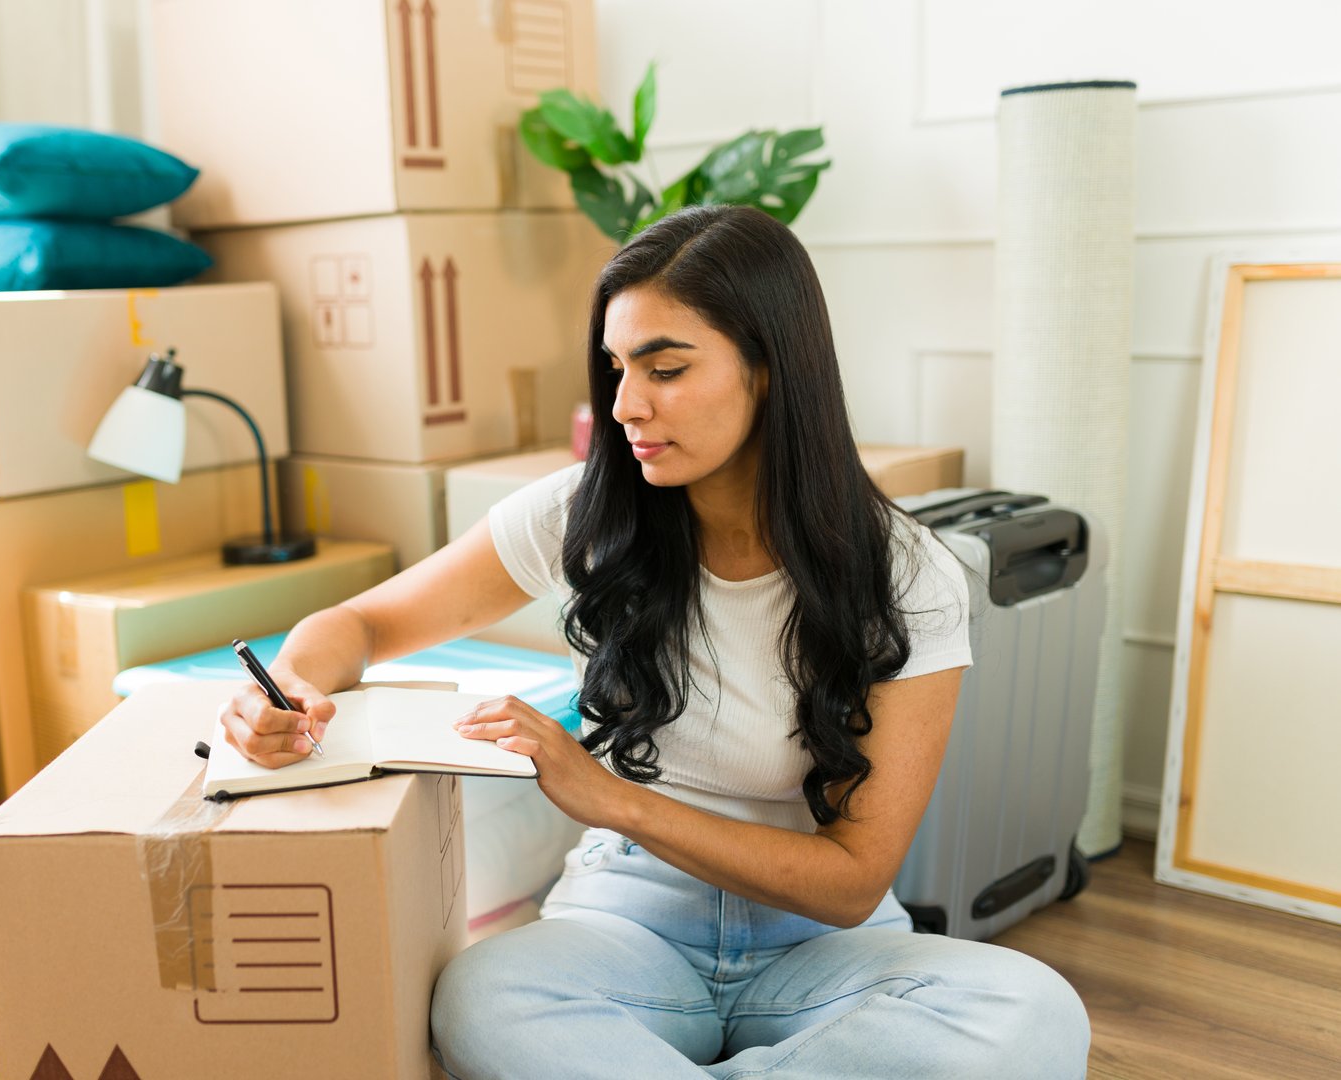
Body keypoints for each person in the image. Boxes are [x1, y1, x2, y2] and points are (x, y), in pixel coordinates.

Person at [219, 205, 1092, 1078]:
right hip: (627, 927)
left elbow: (853, 879)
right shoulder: (583, 514)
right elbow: (363, 624)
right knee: (483, 996)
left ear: (770, 369)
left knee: (1033, 1014)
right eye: (616, 369)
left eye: (666, 369)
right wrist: (288, 684)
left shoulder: (909, 577)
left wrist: (611, 797)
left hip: (823, 950)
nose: (627, 407)